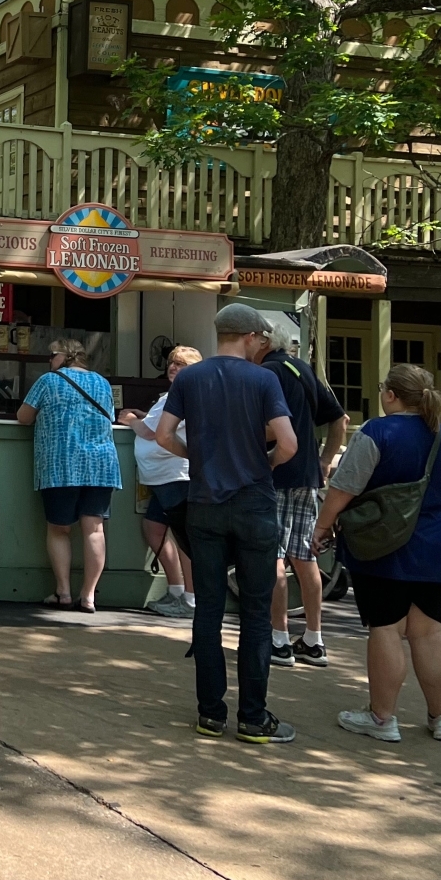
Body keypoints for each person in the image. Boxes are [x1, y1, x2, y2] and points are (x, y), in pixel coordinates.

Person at [153, 303, 300, 743]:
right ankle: (253, 717)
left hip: (204, 503)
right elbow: (289, 443)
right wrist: (265, 463)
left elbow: (163, 435)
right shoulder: (264, 379)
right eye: (262, 339)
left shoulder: (190, 378)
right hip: (253, 502)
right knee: (255, 612)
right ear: (251, 336)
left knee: (209, 609)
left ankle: (210, 714)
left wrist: (196, 457)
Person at [315, 363, 441, 744]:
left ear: (391, 395)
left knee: (386, 626)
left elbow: (344, 487)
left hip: (382, 543)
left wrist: (322, 526)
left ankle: (382, 717)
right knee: (429, 631)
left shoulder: (376, 432)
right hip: (435, 546)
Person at [249, 313, 348, 669]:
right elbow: (340, 419)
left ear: (263, 341)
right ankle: (314, 639)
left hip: (274, 473)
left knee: (273, 558)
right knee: (304, 558)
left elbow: (274, 428)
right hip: (307, 475)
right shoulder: (301, 368)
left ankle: (279, 640)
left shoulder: (267, 373)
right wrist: (325, 460)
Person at [16, 339, 120, 613]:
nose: (49, 361)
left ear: (62, 357)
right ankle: (88, 596)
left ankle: (63, 592)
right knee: (94, 529)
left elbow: (24, 417)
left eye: (51, 356)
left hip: (61, 463)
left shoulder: (48, 381)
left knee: (59, 529)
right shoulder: (102, 383)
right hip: (100, 464)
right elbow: (111, 416)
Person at [119, 344, 204, 618]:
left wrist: (131, 419)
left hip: (175, 476)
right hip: (162, 478)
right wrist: (145, 417)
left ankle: (190, 599)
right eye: (172, 363)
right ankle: (176, 590)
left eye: (181, 364)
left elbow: (149, 432)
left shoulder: (183, 395)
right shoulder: (176, 395)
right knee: (154, 528)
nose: (173, 367)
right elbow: (161, 424)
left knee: (185, 538)